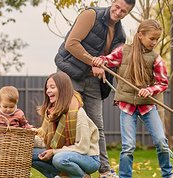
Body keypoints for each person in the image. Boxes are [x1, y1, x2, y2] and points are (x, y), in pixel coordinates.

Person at [54, 0, 135, 176]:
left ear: (127, 13)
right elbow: (71, 43)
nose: (118, 12)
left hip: (92, 81)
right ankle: (61, 168)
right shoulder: (90, 15)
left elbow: (114, 62)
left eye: (124, 11)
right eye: (117, 7)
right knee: (67, 120)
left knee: (97, 125)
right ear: (113, 2)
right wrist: (93, 62)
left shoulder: (120, 35)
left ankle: (104, 169)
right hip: (71, 74)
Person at [91, 19, 173, 178]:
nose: (155, 42)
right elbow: (107, 60)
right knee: (128, 146)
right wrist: (99, 60)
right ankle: (125, 176)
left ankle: (168, 174)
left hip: (147, 107)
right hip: (127, 106)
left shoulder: (155, 58)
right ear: (140, 35)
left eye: (157, 39)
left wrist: (150, 90)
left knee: (161, 143)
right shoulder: (124, 51)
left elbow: (163, 82)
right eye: (152, 38)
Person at [31, 72, 100, 178]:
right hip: (63, 153)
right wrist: (27, 137)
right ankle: (60, 176)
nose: (48, 90)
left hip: (88, 158)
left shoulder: (78, 113)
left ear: (63, 89)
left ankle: (82, 176)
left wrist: (54, 151)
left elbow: (83, 147)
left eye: (52, 87)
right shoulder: (51, 113)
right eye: (47, 88)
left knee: (59, 159)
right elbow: (43, 140)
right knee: (28, 153)